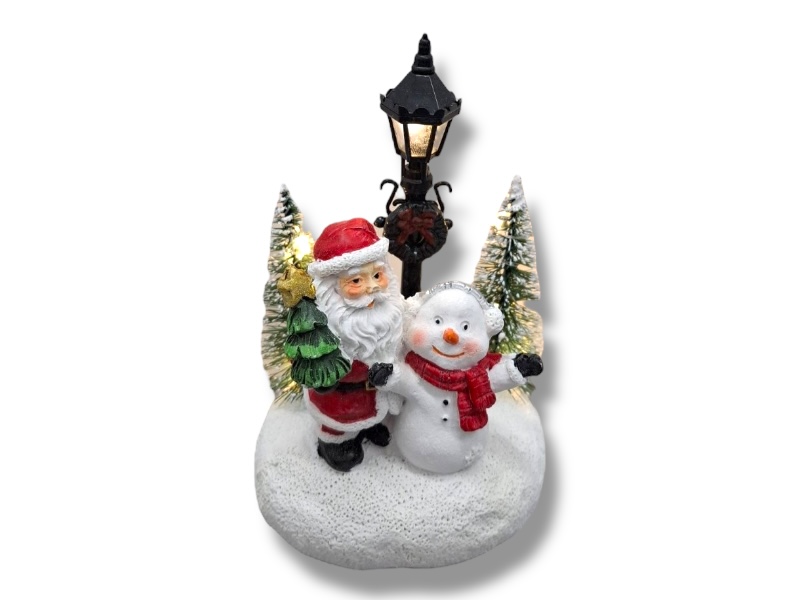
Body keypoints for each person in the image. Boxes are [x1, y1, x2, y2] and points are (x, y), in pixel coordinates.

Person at [305, 218, 405, 471]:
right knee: (339, 425)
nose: (372, 287)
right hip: (340, 403)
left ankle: (368, 427)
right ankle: (334, 443)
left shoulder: (391, 314)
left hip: (375, 397)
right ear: (332, 289)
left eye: (377, 275)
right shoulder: (326, 330)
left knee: (372, 416)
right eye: (356, 281)